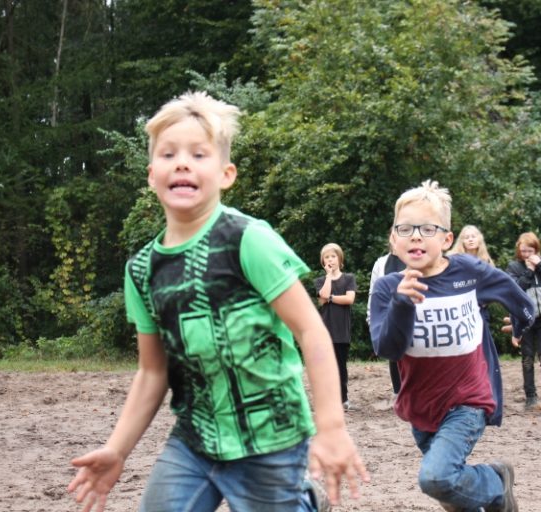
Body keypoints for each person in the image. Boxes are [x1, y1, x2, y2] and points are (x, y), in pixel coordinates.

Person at [67, 91, 368, 512]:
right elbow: (153, 371)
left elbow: (310, 331)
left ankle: (305, 501)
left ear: (226, 174)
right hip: (195, 438)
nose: (182, 163)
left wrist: (331, 426)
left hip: (271, 438)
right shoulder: (142, 271)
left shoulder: (248, 240)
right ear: (151, 175)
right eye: (168, 154)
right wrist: (117, 449)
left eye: (198, 154)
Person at [369, 180, 534, 512]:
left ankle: (496, 480)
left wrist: (520, 325)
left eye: (428, 229)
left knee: (436, 478)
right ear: (393, 240)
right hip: (421, 406)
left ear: (446, 240)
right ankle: (495, 498)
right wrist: (402, 303)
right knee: (451, 493)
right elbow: (387, 349)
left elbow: (521, 302)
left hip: (468, 401)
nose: (416, 236)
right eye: (406, 229)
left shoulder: (468, 272)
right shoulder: (387, 288)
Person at [506, 232, 541, 410]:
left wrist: (540, 266)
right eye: (523, 251)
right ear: (518, 250)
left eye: (530, 251)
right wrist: (529, 271)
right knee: (527, 357)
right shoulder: (514, 267)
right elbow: (515, 288)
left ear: (536, 250)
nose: (527, 255)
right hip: (525, 318)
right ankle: (530, 396)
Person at [315, 243, 357, 411]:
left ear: (340, 259)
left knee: (341, 367)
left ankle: (343, 400)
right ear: (323, 261)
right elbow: (323, 295)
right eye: (327, 257)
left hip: (341, 331)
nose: (330, 260)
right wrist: (328, 277)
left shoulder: (348, 278)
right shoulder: (320, 281)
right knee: (325, 368)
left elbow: (349, 299)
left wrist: (331, 298)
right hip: (325, 331)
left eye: (333, 256)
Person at [367, 238, 406, 399]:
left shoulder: (413, 259)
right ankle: (398, 394)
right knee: (394, 356)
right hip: (388, 314)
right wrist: (371, 316)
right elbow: (374, 291)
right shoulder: (381, 263)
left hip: (411, 314)